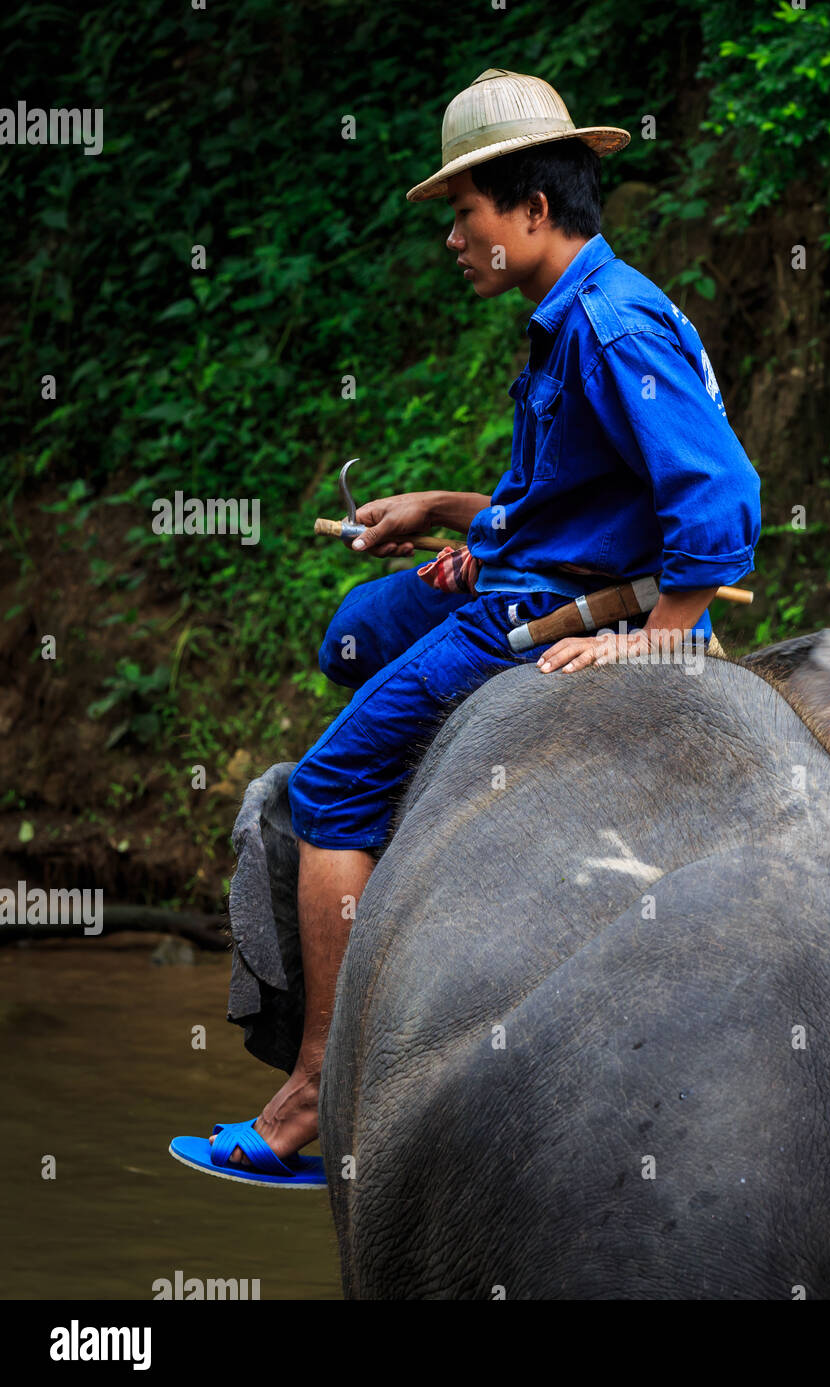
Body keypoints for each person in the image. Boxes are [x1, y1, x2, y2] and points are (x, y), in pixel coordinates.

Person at [169, 68, 760, 1186]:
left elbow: (720, 497)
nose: (452, 236)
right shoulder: (567, 314)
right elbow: (572, 495)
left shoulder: (613, 326)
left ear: (532, 211)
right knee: (352, 628)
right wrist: (445, 513)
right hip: (519, 567)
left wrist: (660, 635)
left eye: (464, 211)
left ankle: (312, 1097)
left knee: (330, 787)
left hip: (539, 613)